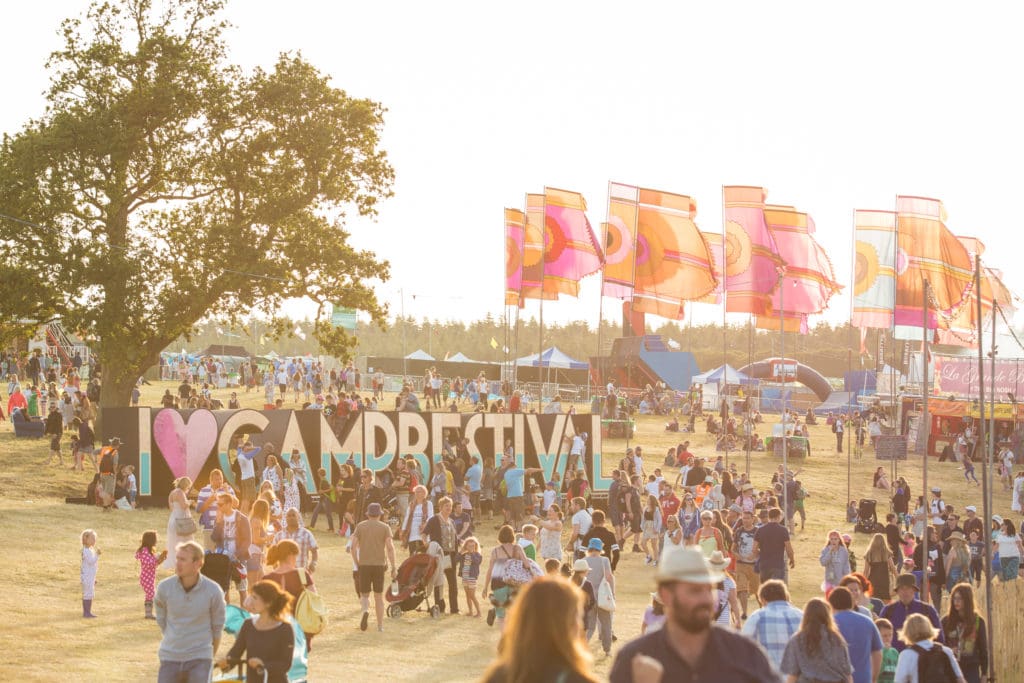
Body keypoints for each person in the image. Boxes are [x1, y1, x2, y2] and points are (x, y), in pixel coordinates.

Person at [609, 545, 778, 683]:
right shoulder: (635, 659)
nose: (706, 599)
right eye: (695, 590)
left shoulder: (744, 653)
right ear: (666, 595)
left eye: (709, 589)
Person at [480, 576, 598, 683]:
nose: (580, 625)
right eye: (577, 616)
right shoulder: (579, 680)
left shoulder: (498, 676)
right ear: (567, 623)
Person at [155, 541, 226, 683]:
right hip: (170, 657)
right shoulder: (164, 588)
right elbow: (162, 621)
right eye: (177, 558)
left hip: (200, 659)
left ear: (198, 563)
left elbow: (217, 629)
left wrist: (207, 655)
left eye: (183, 559)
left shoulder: (213, 591)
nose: (178, 563)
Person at [215, 580, 295, 683]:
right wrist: (227, 663)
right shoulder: (248, 625)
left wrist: (263, 665)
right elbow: (235, 652)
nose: (250, 601)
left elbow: (285, 664)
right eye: (251, 596)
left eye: (255, 598)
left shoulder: (285, 629)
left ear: (268, 603)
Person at [780, 597, 854, 683]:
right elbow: (847, 672)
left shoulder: (797, 639)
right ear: (827, 615)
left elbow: (793, 674)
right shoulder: (837, 638)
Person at [351, 502, 397, 632]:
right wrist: (393, 566)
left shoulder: (360, 526)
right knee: (378, 596)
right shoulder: (385, 527)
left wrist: (357, 562)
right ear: (380, 515)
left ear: (368, 514)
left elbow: (352, 547)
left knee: (364, 595)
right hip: (379, 565)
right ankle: (380, 626)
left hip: (364, 564)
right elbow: (390, 547)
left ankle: (365, 611)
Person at [264, 539, 318, 649]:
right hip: (300, 626)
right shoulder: (302, 574)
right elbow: (314, 597)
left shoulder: (267, 579)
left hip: (274, 627)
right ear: (290, 555)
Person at [741, 579, 803, 671]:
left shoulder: (757, 617)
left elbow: (743, 650)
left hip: (768, 675)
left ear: (763, 599)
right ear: (785, 596)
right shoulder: (802, 615)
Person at [827, 586, 883, 683]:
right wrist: (873, 678)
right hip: (864, 678)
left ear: (831, 604)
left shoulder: (829, 624)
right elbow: (877, 652)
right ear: (852, 603)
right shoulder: (868, 622)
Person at [878, 574, 943, 653]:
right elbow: (877, 636)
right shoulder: (888, 610)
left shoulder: (927, 610)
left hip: (923, 659)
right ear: (897, 591)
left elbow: (939, 639)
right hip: (894, 660)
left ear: (914, 590)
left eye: (908, 588)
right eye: (902, 588)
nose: (905, 592)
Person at [893, 614, 966, 683]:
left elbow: (899, 680)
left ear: (907, 632)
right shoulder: (946, 651)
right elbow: (960, 679)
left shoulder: (907, 655)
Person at [482, 524, 529, 631]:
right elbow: (527, 565)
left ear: (500, 536)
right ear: (512, 536)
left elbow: (490, 570)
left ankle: (504, 638)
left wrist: (485, 587)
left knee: (501, 616)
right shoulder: (517, 548)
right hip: (515, 584)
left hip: (498, 583)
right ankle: (513, 637)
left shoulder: (495, 551)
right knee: (514, 612)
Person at [940, 583, 988, 683]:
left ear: (967, 600)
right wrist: (950, 650)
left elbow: (983, 649)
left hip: (971, 668)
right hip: (951, 668)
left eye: (960, 598)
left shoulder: (978, 621)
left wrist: (984, 674)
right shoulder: (945, 621)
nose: (956, 602)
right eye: (954, 598)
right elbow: (939, 644)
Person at [211, 492, 252, 604]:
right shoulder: (219, 518)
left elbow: (247, 540)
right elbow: (214, 538)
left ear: (229, 504)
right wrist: (218, 523)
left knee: (242, 589)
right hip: (222, 559)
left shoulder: (242, 518)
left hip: (239, 559)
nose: (218, 507)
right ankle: (227, 616)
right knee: (224, 590)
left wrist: (236, 555)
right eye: (217, 504)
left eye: (221, 504)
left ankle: (244, 617)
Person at [423, 496, 460, 614]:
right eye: (446, 506)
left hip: (450, 555)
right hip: (439, 555)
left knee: (452, 583)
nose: (449, 508)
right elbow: (424, 534)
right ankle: (439, 607)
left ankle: (454, 609)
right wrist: (427, 544)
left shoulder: (452, 521)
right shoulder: (434, 519)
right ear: (440, 507)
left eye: (450, 506)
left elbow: (454, 538)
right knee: (438, 582)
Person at [583, 537, 615, 657]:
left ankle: (583, 646)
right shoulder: (604, 560)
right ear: (600, 548)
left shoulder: (583, 560)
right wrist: (612, 593)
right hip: (602, 597)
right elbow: (609, 577)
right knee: (606, 624)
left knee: (589, 626)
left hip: (588, 598)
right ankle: (607, 650)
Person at [754, 507, 795, 583]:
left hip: (764, 565)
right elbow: (788, 548)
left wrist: (759, 557)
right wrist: (792, 559)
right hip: (777, 564)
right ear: (778, 517)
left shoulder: (760, 530)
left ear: (769, 517)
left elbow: (754, 549)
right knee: (776, 589)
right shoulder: (783, 530)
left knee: (765, 590)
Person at [164, 477, 195, 570]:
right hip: (182, 520)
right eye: (188, 487)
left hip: (173, 518)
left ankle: (175, 561)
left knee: (174, 542)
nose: (188, 489)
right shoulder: (180, 492)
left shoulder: (172, 493)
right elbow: (184, 506)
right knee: (185, 541)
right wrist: (190, 501)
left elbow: (171, 507)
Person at [137, 530, 168, 620]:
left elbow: (153, 562)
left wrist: (160, 558)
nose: (156, 541)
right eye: (155, 539)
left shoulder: (148, 551)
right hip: (146, 577)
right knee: (150, 594)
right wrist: (158, 560)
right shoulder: (145, 551)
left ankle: (149, 613)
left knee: (151, 594)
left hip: (149, 577)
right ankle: (148, 614)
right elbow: (148, 563)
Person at [460, 536, 483, 617]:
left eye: (473, 546)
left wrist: (472, 553)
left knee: (472, 595)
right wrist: (461, 552)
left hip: (472, 577)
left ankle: (479, 612)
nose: (471, 547)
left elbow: (477, 562)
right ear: (466, 546)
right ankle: (470, 612)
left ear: (476, 546)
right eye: (469, 546)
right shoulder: (464, 555)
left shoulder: (477, 555)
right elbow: (456, 559)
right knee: (467, 595)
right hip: (465, 577)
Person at [994, 517, 1023, 582]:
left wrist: (1023, 554)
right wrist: (992, 553)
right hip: (1003, 557)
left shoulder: (1015, 535)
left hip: (1014, 557)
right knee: (1005, 576)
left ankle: (1014, 585)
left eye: (1003, 524)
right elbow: (996, 546)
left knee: (1011, 573)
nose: (1001, 526)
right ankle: (1011, 589)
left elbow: (1020, 546)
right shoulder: (999, 536)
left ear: (1007, 525)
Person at [80, 528, 100, 618]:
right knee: (87, 594)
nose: (94, 540)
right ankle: (86, 612)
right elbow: (91, 561)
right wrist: (97, 555)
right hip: (87, 576)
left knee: (90, 593)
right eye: (92, 538)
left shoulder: (90, 550)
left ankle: (88, 612)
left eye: (94, 538)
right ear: (86, 540)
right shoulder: (86, 551)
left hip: (89, 576)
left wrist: (93, 578)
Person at [875, 618, 899, 683]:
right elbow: (877, 671)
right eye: (884, 636)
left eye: (890, 635)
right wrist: (884, 651)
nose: (888, 638)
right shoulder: (874, 652)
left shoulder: (894, 652)